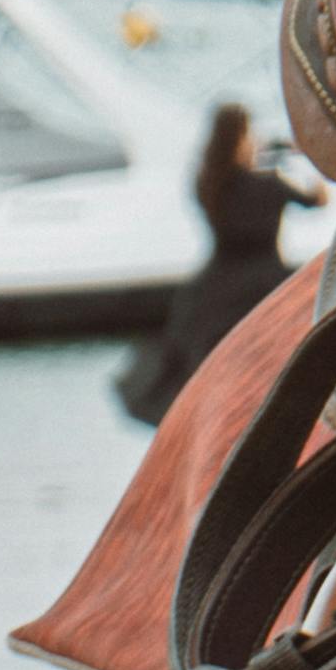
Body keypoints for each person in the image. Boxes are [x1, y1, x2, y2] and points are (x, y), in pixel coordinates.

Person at [109, 101, 316, 427]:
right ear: (240, 138)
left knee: (205, 381)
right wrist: (293, 160)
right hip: (266, 287)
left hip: (213, 290)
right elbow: (317, 200)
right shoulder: (269, 185)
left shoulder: (208, 184)